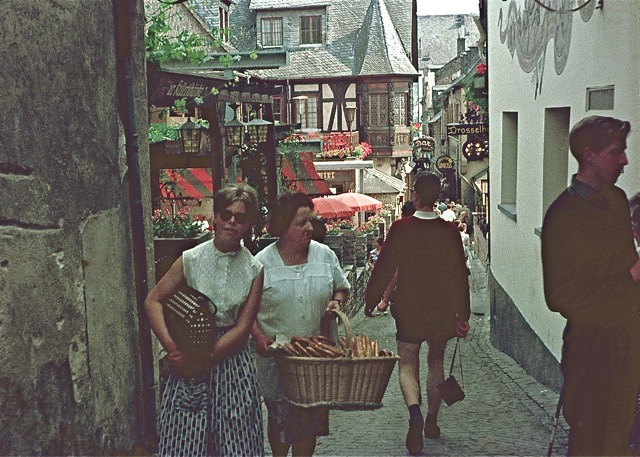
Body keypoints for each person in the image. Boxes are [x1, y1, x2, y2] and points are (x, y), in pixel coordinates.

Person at [541, 115, 640, 457]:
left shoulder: (616, 201)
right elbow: (559, 296)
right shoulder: (562, 216)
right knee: (590, 442)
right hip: (591, 351)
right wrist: (627, 278)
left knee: (619, 439)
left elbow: (628, 264)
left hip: (627, 342)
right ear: (589, 155)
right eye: (616, 152)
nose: (625, 160)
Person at [144, 183, 265, 456]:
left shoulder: (254, 269)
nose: (232, 221)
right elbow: (153, 301)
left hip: (231, 363)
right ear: (215, 216)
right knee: (184, 440)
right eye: (226, 214)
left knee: (238, 441)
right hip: (188, 359)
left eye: (241, 217)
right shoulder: (191, 259)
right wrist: (173, 348)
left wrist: (205, 357)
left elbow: (243, 327)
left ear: (248, 224)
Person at [365, 172, 470, 455]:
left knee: (408, 365)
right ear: (436, 198)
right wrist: (464, 315)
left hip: (409, 307)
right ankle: (432, 423)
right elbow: (460, 275)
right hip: (442, 309)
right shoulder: (449, 232)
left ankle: (415, 413)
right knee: (435, 362)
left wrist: (371, 299)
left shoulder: (401, 229)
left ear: (415, 196)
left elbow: (384, 267)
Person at [251, 192, 350, 457]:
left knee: (307, 423)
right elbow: (246, 312)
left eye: (310, 220)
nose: (309, 227)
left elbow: (341, 288)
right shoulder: (262, 263)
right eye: (301, 223)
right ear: (283, 227)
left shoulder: (324, 255)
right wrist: (260, 338)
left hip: (315, 358)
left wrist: (336, 303)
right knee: (281, 419)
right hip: (277, 358)